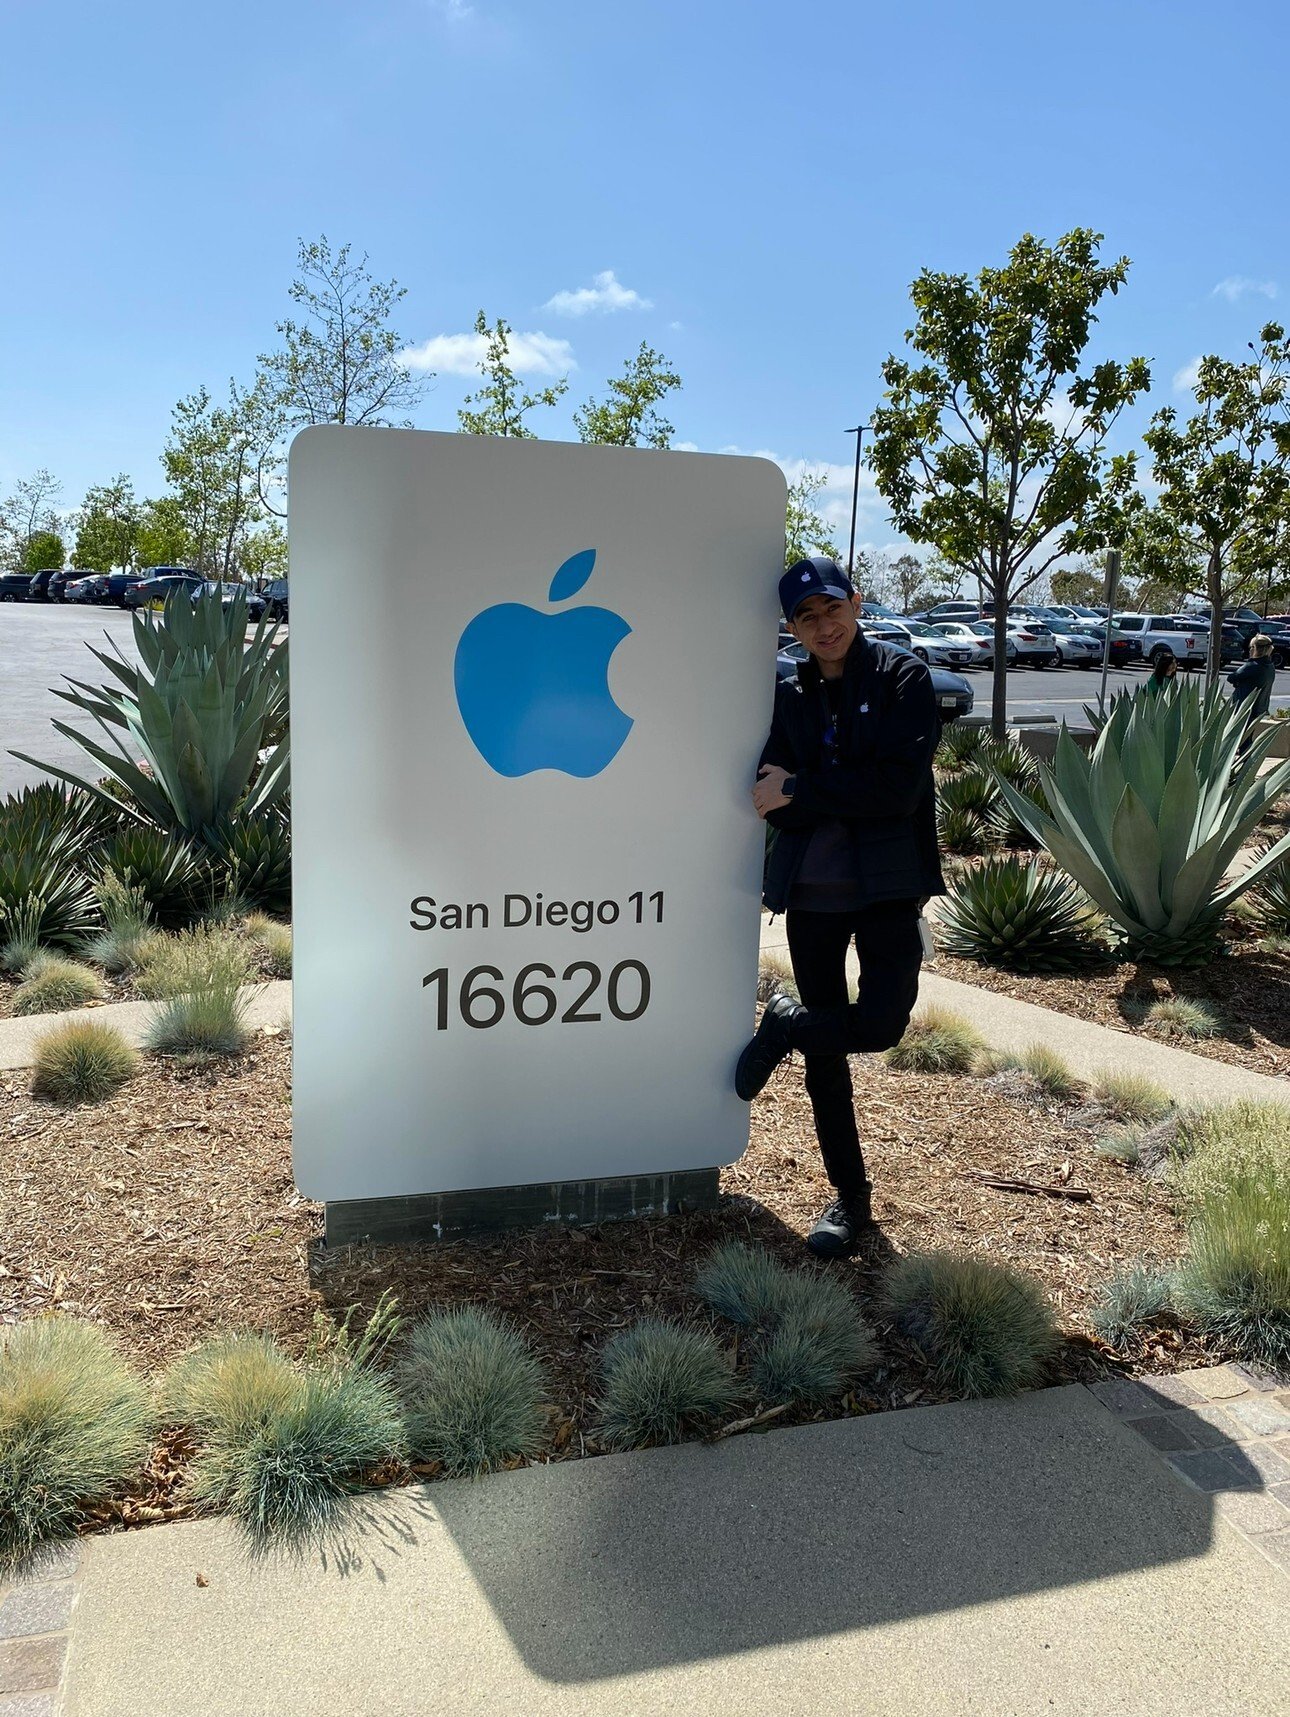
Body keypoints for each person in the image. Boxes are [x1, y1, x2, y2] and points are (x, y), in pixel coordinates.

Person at [735, 556, 944, 1257]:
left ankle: (786, 1024)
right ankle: (850, 1199)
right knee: (829, 1060)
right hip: (812, 894)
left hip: (887, 887)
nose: (824, 627)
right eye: (807, 618)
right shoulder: (787, 693)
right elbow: (770, 793)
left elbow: (898, 790)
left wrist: (808, 788)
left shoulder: (902, 677)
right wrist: (813, 792)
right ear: (792, 628)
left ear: (855, 603)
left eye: (832, 609)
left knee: (881, 1025)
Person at [1227, 633, 1276, 725]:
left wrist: (1250, 660)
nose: (1249, 650)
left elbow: (1231, 677)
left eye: (1251, 647)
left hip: (1243, 710)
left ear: (1255, 648)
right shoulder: (1270, 666)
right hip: (1259, 709)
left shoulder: (1252, 666)